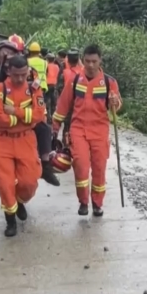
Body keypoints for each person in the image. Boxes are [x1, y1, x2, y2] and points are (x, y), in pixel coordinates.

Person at [0, 36, 60, 202]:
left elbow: (37, 96)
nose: (7, 56)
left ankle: (45, 165)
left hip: (23, 116)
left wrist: (21, 113)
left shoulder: (31, 73)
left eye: (11, 52)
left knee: (44, 128)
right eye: (4, 53)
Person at [52, 44, 122, 217]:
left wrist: (115, 103)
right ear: (83, 60)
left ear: (100, 61)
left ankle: (97, 204)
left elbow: (117, 105)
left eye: (94, 61)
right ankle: (83, 202)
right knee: (81, 168)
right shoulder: (75, 80)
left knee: (99, 169)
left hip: (100, 131)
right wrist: (55, 128)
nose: (90, 65)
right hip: (78, 129)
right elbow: (63, 105)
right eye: (87, 61)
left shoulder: (109, 82)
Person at [0, 55, 45, 237]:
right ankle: (10, 219)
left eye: (23, 74)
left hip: (26, 140)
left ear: (27, 71)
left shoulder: (34, 88)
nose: (20, 79)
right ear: (8, 72)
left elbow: (39, 115)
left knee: (29, 182)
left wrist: (15, 112)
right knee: (5, 183)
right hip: (2, 142)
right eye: (16, 75)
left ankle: (20, 201)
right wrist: (21, 119)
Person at [45, 53, 60, 118]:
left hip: (47, 85)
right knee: (53, 102)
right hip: (54, 85)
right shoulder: (57, 66)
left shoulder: (46, 66)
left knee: (47, 101)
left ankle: (48, 117)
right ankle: (53, 116)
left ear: (47, 59)